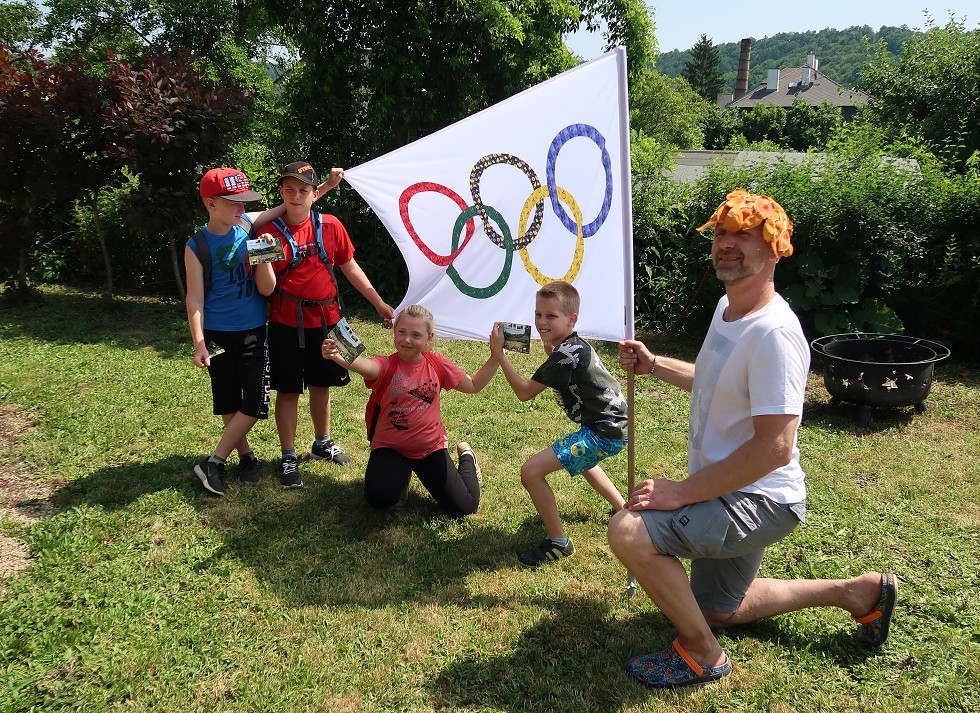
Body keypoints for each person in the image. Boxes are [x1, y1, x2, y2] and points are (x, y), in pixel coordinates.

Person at [611, 189, 897, 689]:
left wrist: (682, 492)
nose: (727, 241)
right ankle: (856, 593)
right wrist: (656, 365)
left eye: (744, 233)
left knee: (628, 531)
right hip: (728, 490)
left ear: (773, 249)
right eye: (722, 231)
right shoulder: (727, 308)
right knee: (715, 608)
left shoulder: (774, 335)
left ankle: (703, 655)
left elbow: (775, 446)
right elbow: (715, 378)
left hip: (759, 499)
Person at [265, 161, 395, 489]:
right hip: (285, 324)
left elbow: (350, 267)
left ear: (314, 193)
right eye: (289, 189)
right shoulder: (266, 233)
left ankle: (322, 442)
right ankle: (289, 455)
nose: (296, 196)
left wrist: (378, 302)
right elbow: (264, 287)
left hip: (329, 320)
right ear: (281, 191)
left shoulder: (331, 225)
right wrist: (262, 257)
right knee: (289, 389)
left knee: (324, 383)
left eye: (303, 190)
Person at [489, 281, 628, 568]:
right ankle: (623, 508)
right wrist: (550, 346)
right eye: (538, 314)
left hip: (603, 433)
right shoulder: (573, 345)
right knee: (585, 462)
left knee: (530, 472)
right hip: (615, 426)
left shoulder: (565, 354)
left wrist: (499, 354)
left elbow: (525, 393)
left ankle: (558, 542)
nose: (541, 322)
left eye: (551, 316)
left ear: (571, 319)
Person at [321, 304, 498, 516]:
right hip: (390, 448)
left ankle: (468, 457)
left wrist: (496, 356)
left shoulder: (437, 364)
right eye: (402, 332)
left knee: (464, 508)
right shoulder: (386, 365)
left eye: (416, 335)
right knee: (379, 498)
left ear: (429, 338)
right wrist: (338, 356)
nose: (407, 340)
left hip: (430, 449)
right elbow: (365, 366)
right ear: (394, 332)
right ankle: (400, 476)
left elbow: (473, 385)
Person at [185, 167, 278, 496]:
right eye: (234, 203)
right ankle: (246, 457)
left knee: (255, 399)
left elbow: (267, 290)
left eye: (245, 202)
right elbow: (194, 297)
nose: (242, 208)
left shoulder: (249, 229)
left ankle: (214, 461)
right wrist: (199, 342)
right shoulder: (196, 245)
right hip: (216, 335)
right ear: (210, 204)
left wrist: (265, 253)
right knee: (227, 399)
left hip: (253, 330)